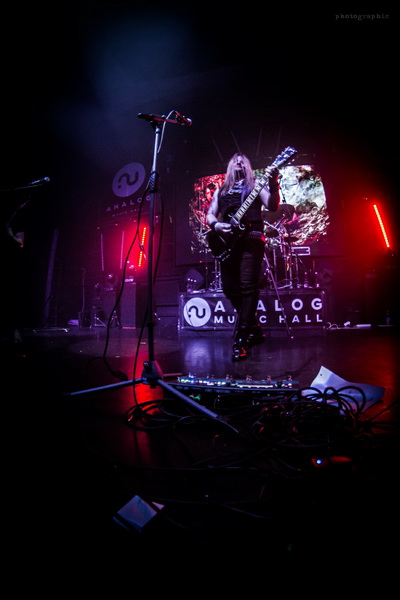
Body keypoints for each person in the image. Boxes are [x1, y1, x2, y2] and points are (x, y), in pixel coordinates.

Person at [206, 153, 280, 360]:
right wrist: (216, 225)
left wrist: (274, 184)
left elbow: (272, 205)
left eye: (243, 160)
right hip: (229, 243)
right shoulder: (221, 190)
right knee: (230, 289)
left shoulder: (255, 185)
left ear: (248, 166)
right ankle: (254, 329)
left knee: (248, 287)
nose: (239, 162)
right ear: (229, 165)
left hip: (251, 239)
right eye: (235, 160)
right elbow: (210, 213)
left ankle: (242, 339)